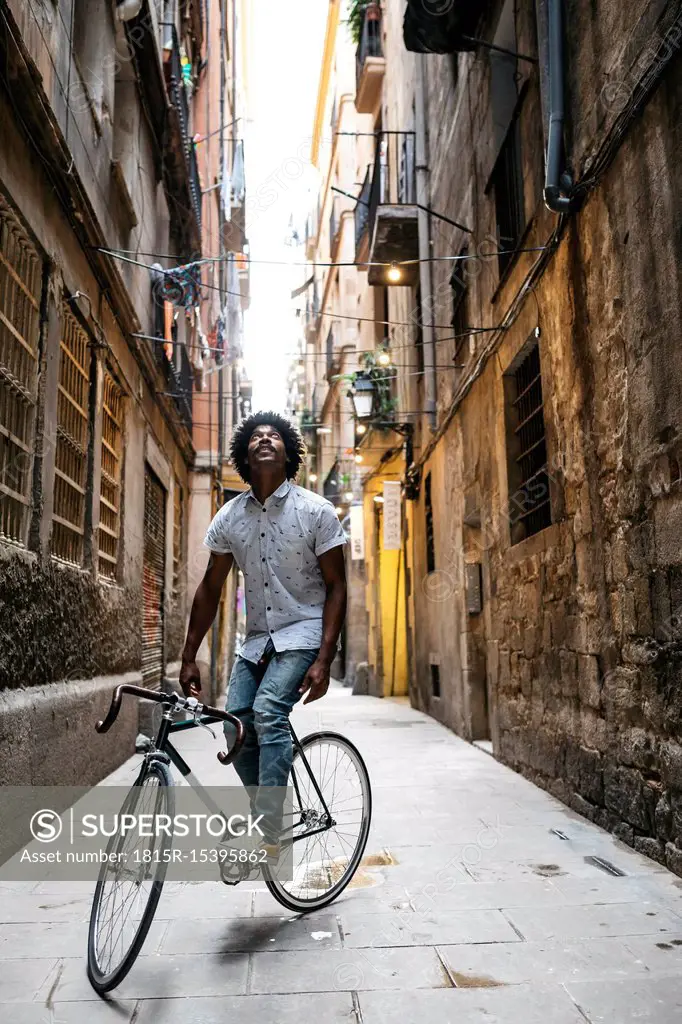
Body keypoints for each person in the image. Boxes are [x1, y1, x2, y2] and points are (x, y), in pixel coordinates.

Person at [179, 412, 347, 861]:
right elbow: (211, 587)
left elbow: (337, 585)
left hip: (304, 631)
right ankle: (263, 815)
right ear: (245, 457)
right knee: (236, 721)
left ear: (288, 453)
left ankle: (269, 830)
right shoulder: (230, 517)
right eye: (257, 436)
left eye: (275, 435)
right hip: (257, 640)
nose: (266, 439)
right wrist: (189, 654)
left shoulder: (317, 511)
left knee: (268, 711)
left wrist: (325, 659)